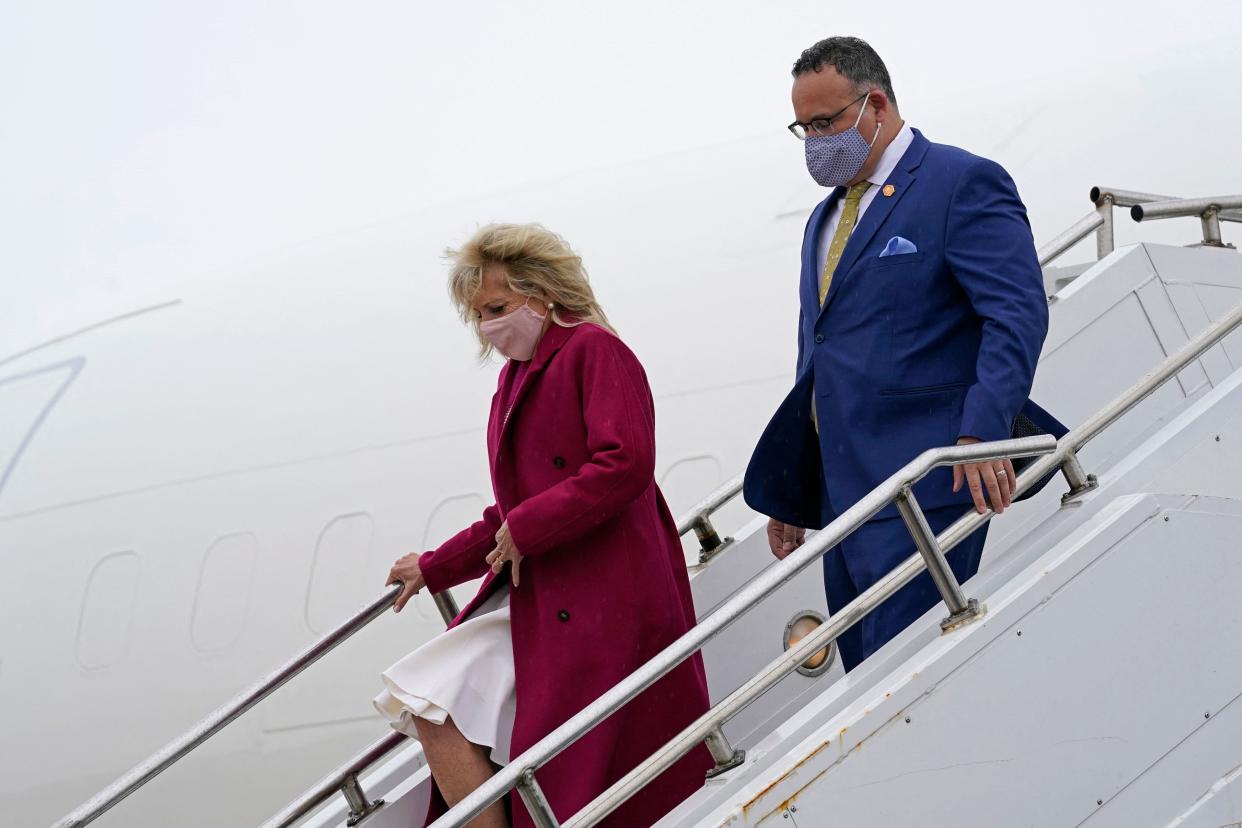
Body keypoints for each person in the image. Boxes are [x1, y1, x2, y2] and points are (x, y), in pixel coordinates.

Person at [744, 37, 1066, 672]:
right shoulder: (824, 218)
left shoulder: (959, 182)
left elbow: (1016, 312)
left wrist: (982, 431)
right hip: (845, 494)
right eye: (802, 128)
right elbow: (821, 356)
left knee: (907, 674)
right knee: (863, 672)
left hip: (929, 479)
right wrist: (796, 484)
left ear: (877, 105)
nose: (814, 140)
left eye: (826, 122)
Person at [374, 223, 712, 828]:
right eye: (478, 314)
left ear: (543, 294)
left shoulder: (594, 350)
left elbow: (626, 461)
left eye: (498, 308)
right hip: (553, 595)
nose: (488, 326)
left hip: (605, 590)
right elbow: (510, 510)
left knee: (476, 714)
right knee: (431, 701)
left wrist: (528, 528)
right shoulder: (513, 379)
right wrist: (434, 567)